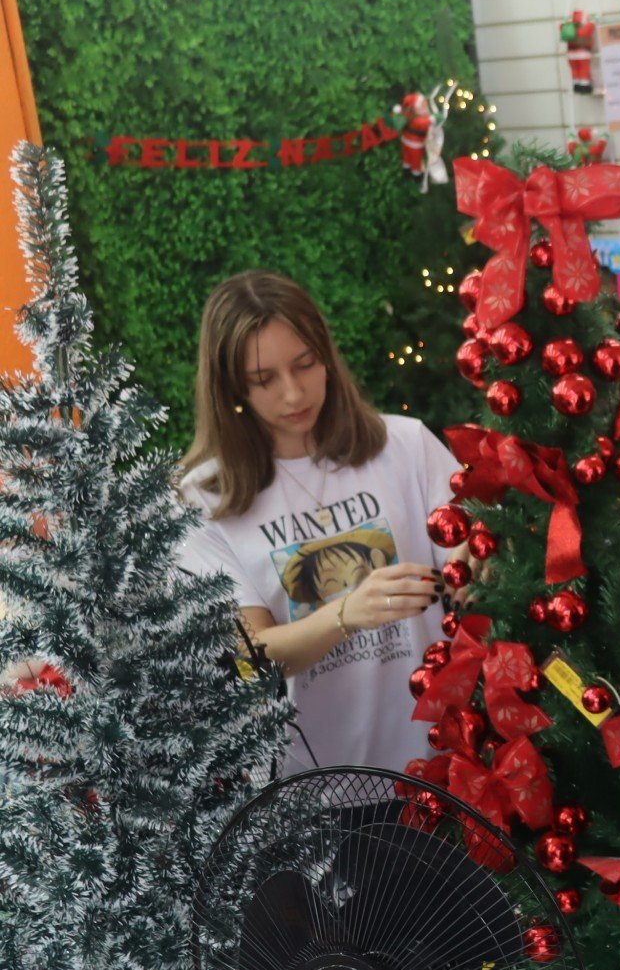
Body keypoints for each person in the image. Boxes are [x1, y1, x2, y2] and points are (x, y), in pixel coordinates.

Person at [177, 272, 457, 775]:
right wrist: (348, 613)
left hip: (443, 770)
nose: (293, 393)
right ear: (232, 388)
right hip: (313, 795)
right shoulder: (206, 499)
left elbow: (471, 566)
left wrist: (478, 565)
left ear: (326, 355)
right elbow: (251, 656)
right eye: (265, 380)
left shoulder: (407, 445)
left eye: (305, 364)